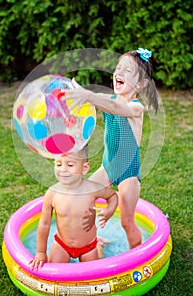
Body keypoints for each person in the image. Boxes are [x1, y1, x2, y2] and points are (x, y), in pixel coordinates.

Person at [63, 48, 159, 249]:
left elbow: (116, 108)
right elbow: (95, 105)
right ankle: (92, 240)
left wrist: (88, 95)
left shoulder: (135, 107)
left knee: (126, 221)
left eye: (127, 71)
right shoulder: (108, 100)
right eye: (118, 68)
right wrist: (74, 98)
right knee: (82, 199)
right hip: (107, 167)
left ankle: (137, 256)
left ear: (140, 84)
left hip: (128, 174)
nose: (119, 73)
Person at [29, 145, 118, 270]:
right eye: (58, 164)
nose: (63, 170)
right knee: (54, 273)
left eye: (70, 165)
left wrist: (110, 210)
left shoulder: (92, 189)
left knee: (93, 274)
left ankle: (99, 245)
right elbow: (44, 224)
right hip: (62, 245)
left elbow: (113, 196)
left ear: (85, 168)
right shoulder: (52, 193)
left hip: (88, 246)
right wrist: (41, 253)